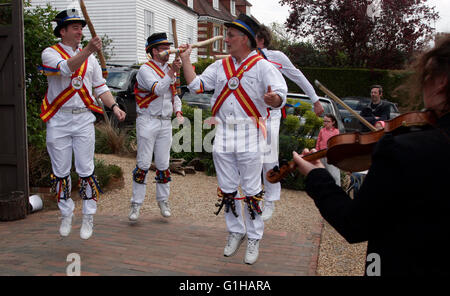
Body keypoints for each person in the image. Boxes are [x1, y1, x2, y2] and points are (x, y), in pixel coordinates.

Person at [292, 38, 450, 275]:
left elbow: (355, 224)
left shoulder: (404, 149)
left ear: (442, 82)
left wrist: (317, 176)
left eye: (426, 75)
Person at [179, 14, 287, 265]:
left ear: (246, 40)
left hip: (250, 131)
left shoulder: (262, 66)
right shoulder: (220, 66)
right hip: (224, 131)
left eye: (231, 35)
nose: (226, 39)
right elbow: (195, 86)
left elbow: (281, 93)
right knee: (227, 187)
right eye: (227, 34)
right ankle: (235, 231)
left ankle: (254, 237)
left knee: (251, 188)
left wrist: (275, 100)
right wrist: (185, 61)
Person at [40, 9, 126, 240]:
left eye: (81, 27)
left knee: (86, 169)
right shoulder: (50, 53)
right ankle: (66, 212)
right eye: (75, 27)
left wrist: (115, 106)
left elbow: (100, 88)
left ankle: (89, 215)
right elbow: (65, 69)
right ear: (62, 31)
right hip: (58, 119)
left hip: (83, 119)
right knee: (60, 171)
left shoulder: (92, 60)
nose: (80, 31)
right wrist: (89, 51)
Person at [255, 25, 324, 221]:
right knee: (250, 155)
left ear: (261, 40)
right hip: (251, 114)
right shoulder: (245, 59)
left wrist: (315, 100)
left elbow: (298, 76)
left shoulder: (276, 57)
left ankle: (271, 198)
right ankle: (255, 195)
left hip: (270, 113)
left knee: (268, 154)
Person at [128, 33, 184, 222]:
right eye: (163, 48)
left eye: (168, 47)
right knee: (143, 163)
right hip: (147, 119)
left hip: (165, 121)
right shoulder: (145, 70)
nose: (168, 51)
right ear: (153, 51)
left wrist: (178, 110)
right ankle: (136, 204)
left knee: (163, 164)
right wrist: (171, 72)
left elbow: (174, 94)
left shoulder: (171, 69)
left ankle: (163, 201)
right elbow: (158, 89)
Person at [315, 114, 340, 186]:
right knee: (322, 173)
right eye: (324, 121)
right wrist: (317, 152)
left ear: (333, 122)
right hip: (321, 154)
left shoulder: (336, 131)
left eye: (327, 121)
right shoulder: (322, 130)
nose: (325, 123)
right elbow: (318, 141)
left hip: (331, 155)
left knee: (333, 173)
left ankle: (336, 187)